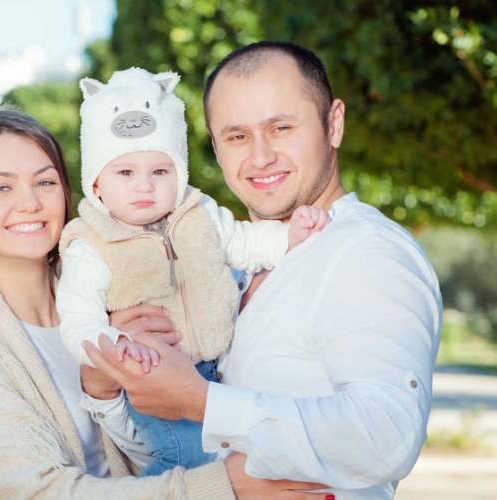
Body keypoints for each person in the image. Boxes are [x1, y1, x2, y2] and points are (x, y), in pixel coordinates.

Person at [0, 108, 334, 499]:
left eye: (45, 182)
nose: (29, 203)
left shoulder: (115, 303)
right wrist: (222, 487)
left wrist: (104, 391)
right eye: (0, 189)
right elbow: (37, 493)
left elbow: (149, 455)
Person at [82, 41, 443, 500]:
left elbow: (387, 436)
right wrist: (112, 383)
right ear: (215, 147)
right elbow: (179, 456)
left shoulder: (367, 251)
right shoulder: (225, 268)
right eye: (236, 137)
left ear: (333, 124)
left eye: (281, 127)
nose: (260, 156)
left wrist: (201, 402)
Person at [56, 66, 330, 477]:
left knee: (228, 452)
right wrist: (117, 344)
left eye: (160, 172)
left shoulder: (198, 213)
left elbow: (245, 243)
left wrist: (290, 236)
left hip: (214, 371)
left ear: (179, 173)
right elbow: (78, 320)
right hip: (154, 372)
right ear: (96, 185)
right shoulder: (91, 243)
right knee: (187, 461)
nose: (144, 186)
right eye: (125, 173)